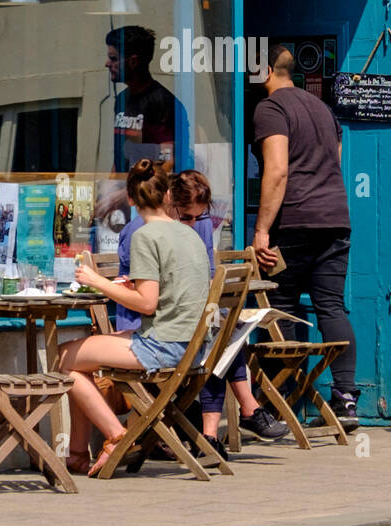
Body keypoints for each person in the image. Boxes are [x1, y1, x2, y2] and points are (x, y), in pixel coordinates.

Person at [114, 168, 289, 457]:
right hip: (152, 326)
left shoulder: (193, 228)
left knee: (219, 332)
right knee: (215, 336)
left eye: (200, 217)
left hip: (178, 320)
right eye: (187, 217)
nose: (194, 224)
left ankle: (211, 435)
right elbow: (149, 294)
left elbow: (201, 275)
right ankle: (238, 415)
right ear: (169, 202)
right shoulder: (141, 232)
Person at [58, 158, 212, 476]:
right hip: (192, 347)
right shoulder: (190, 235)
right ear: (168, 195)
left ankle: (116, 436)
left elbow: (146, 304)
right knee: (80, 356)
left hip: (163, 346)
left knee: (65, 358)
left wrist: (97, 281)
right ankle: (77, 454)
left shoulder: (145, 235)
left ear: (130, 199)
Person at [251, 43, 360, 430]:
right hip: (335, 219)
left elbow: (277, 170)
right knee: (331, 306)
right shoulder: (322, 108)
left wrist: (262, 229)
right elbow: (335, 159)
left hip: (294, 223)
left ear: (265, 69)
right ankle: (345, 399)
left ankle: (283, 401)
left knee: (281, 305)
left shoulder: (270, 108)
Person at [105, 24, 183, 172]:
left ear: (133, 61)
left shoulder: (161, 102)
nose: (107, 64)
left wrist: (133, 190)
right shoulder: (122, 99)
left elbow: (168, 160)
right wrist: (108, 189)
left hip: (146, 190)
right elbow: (119, 160)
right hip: (126, 187)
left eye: (113, 58)